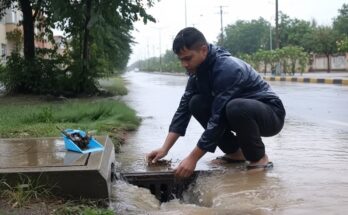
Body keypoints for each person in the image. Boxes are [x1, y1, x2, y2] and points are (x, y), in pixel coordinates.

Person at [146, 27, 286, 178]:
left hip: (270, 114)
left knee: (235, 107)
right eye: (181, 59)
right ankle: (236, 153)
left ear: (204, 50)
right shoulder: (197, 73)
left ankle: (258, 158)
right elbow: (183, 110)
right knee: (195, 103)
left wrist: (192, 158)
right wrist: (164, 148)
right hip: (239, 113)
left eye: (188, 58)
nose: (184, 64)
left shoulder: (228, 69)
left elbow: (217, 119)